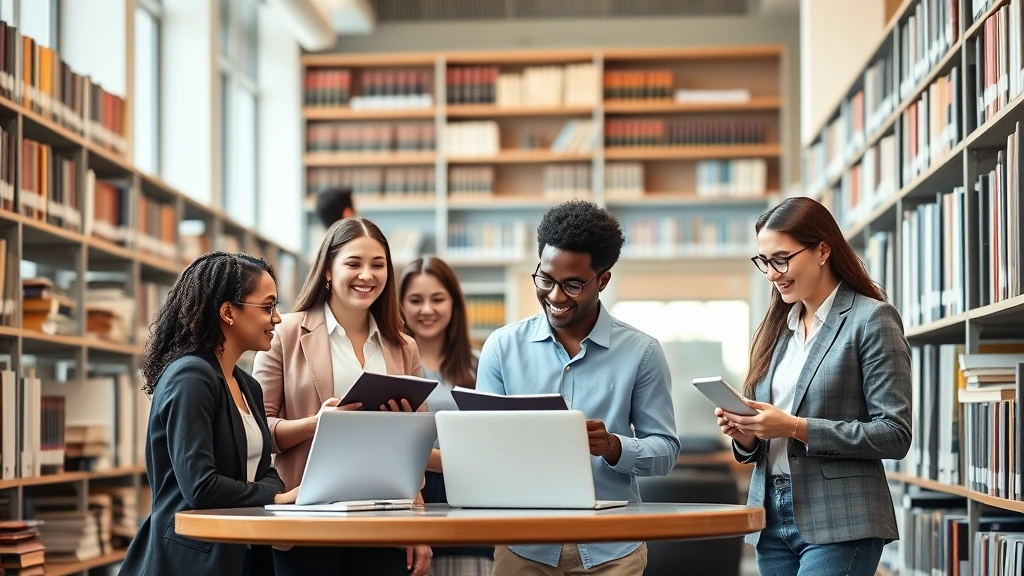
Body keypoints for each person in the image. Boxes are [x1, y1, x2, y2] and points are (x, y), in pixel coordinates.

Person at [475, 200, 679, 576]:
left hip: (612, 550)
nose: (555, 296)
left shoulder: (642, 352)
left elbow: (665, 451)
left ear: (603, 280)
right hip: (524, 545)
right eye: (546, 279)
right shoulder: (502, 348)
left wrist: (614, 446)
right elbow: (480, 450)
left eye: (572, 285)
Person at [716, 196, 912, 576]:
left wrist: (792, 427)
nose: (772, 273)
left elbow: (894, 434)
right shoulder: (777, 327)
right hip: (771, 515)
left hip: (842, 518)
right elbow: (768, 438)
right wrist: (747, 435)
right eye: (764, 262)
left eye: (781, 258)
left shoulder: (871, 319)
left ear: (823, 250)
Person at [252, 217, 432, 576]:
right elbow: (260, 432)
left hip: (385, 519)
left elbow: (417, 448)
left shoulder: (403, 346)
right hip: (306, 517)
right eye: (354, 263)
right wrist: (315, 425)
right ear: (328, 270)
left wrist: (419, 523)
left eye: (377, 265)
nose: (367, 275)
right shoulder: (285, 333)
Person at [119, 252, 297, 576]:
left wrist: (271, 489)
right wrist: (276, 496)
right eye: (268, 306)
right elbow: (201, 488)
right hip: (190, 560)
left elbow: (267, 472)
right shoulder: (191, 378)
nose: (278, 318)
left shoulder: (248, 387)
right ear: (228, 312)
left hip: (243, 554)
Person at [399, 256, 494, 576]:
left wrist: (420, 455)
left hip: (469, 504)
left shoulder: (480, 366)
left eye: (437, 299)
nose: (427, 309)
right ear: (399, 305)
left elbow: (491, 447)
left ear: (454, 302)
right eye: (415, 300)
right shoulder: (389, 364)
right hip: (407, 501)